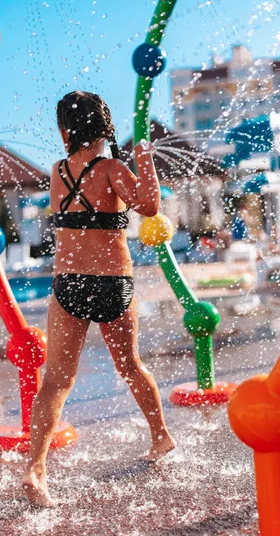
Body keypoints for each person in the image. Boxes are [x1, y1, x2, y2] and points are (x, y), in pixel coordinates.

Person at [22, 91, 176, 507]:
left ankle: (36, 469)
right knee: (131, 366)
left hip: (68, 283)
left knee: (55, 381)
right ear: (104, 127)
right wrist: (143, 157)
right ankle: (160, 437)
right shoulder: (110, 168)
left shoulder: (57, 172)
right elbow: (149, 205)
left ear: (65, 130)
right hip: (112, 283)